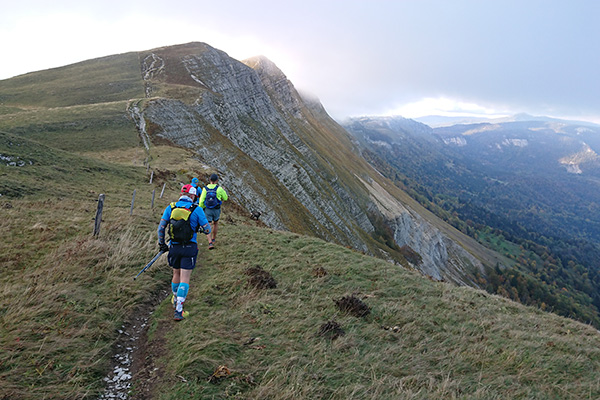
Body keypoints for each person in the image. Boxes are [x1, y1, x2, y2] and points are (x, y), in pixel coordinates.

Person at [157, 184, 210, 321]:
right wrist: (199, 228)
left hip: (174, 247)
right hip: (189, 247)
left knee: (176, 273)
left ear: (181, 194)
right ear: (192, 196)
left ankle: (175, 298)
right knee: (185, 278)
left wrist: (162, 244)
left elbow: (161, 228)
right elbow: (207, 229)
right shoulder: (196, 209)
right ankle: (179, 310)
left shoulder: (171, 207)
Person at [199, 173, 228, 250]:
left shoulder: (205, 189)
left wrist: (201, 208)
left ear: (210, 180)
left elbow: (201, 201)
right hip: (216, 209)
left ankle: (210, 242)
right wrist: (223, 191)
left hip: (208, 209)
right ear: (217, 180)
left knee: (208, 225)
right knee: (216, 223)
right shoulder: (219, 189)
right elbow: (225, 198)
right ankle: (214, 239)